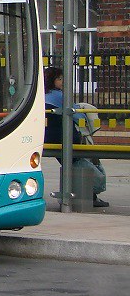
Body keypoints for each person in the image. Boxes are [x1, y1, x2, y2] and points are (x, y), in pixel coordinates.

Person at [44, 66, 107, 207]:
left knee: (72, 164)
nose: (62, 81)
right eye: (59, 79)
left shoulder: (43, 96)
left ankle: (84, 194)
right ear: (52, 80)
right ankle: (90, 194)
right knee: (82, 163)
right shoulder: (59, 96)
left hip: (49, 139)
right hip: (66, 139)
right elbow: (77, 115)